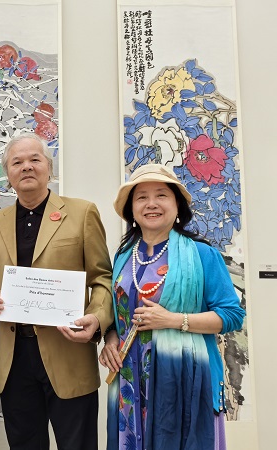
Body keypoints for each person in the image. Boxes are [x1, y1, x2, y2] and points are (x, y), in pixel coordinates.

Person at [0, 133, 113, 449]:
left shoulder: (82, 213)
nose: (26, 166)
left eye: (34, 159)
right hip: (14, 358)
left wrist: (97, 318)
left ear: (49, 168)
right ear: (8, 174)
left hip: (69, 352)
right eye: (17, 162)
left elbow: (102, 278)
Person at [100, 163, 246, 449]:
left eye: (161, 195)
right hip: (130, 379)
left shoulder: (203, 254)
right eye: (141, 197)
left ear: (177, 205)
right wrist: (111, 338)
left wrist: (173, 320)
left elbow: (232, 315)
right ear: (131, 209)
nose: (151, 204)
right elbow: (118, 315)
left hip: (183, 378)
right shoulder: (123, 256)